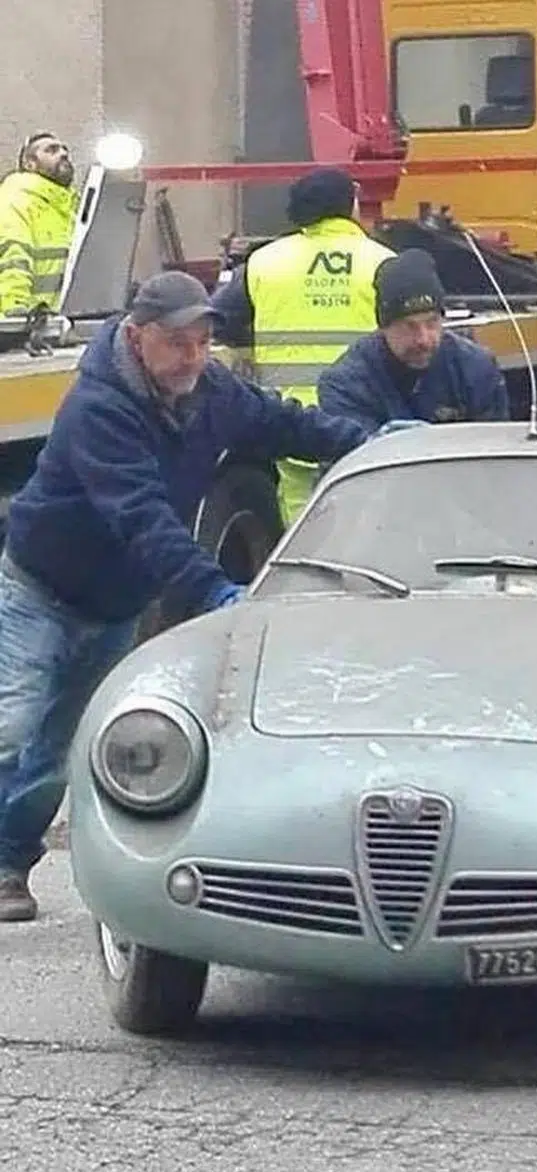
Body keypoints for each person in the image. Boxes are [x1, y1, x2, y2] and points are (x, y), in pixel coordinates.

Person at [0, 271, 372, 923]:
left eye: (202, 341)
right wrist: (212, 590)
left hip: (114, 603)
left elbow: (284, 424)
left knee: (58, 752)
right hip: (40, 589)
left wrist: (366, 442)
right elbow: (141, 516)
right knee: (9, 727)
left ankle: (8, 864)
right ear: (138, 338)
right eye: (178, 343)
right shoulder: (100, 409)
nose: (193, 357)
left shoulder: (211, 392)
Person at [210, 167, 395, 523]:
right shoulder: (382, 262)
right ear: (350, 206)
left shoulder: (263, 262)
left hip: (289, 419)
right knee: (366, 517)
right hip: (360, 421)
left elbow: (217, 319)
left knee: (300, 514)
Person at [317, 249, 509, 427]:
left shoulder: (476, 368)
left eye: (432, 322)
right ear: (383, 327)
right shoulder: (347, 385)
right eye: (409, 326)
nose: (423, 339)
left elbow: (494, 452)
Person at [0, 131, 78, 316]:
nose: (63, 154)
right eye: (52, 150)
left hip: (58, 321)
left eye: (64, 149)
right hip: (27, 325)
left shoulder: (70, 207)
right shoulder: (15, 198)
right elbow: (12, 256)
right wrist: (15, 308)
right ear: (30, 164)